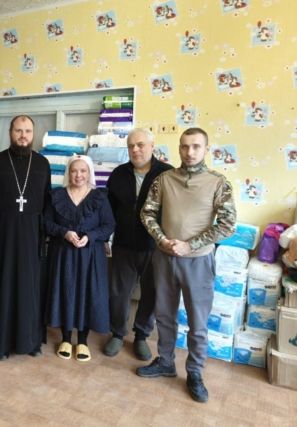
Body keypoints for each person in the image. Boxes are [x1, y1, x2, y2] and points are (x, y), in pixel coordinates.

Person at [138, 127, 236, 403]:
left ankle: (194, 372)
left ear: (206, 149)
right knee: (164, 315)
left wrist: (189, 245)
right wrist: (162, 239)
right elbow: (147, 213)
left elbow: (228, 225)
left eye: (196, 146)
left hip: (198, 261)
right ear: (179, 148)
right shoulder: (164, 179)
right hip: (165, 258)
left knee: (197, 321)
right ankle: (166, 361)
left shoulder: (218, 183)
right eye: (184, 146)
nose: (189, 152)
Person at [0, 115, 51, 359]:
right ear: (10, 133)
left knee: (30, 290)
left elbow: (46, 203)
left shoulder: (42, 163)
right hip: (3, 235)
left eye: (28, 131)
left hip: (32, 237)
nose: (23, 135)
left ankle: (31, 341)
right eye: (19, 131)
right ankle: (1, 343)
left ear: (33, 134)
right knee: (4, 288)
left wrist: (44, 238)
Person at [103, 129, 174, 360]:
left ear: (152, 146)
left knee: (151, 294)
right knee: (118, 293)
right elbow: (108, 211)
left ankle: (141, 336)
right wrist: (105, 238)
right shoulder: (118, 174)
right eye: (131, 146)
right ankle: (117, 333)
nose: (135, 150)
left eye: (140, 144)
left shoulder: (167, 174)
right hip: (123, 245)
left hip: (155, 247)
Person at [44, 155, 115, 362]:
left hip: (91, 256)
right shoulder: (57, 195)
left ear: (89, 173)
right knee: (65, 292)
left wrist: (90, 236)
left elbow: (109, 225)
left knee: (87, 294)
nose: (78, 175)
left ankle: (82, 341)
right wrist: (64, 233)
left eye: (83, 171)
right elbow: (45, 222)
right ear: (69, 172)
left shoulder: (99, 197)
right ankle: (66, 339)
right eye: (74, 170)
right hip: (63, 254)